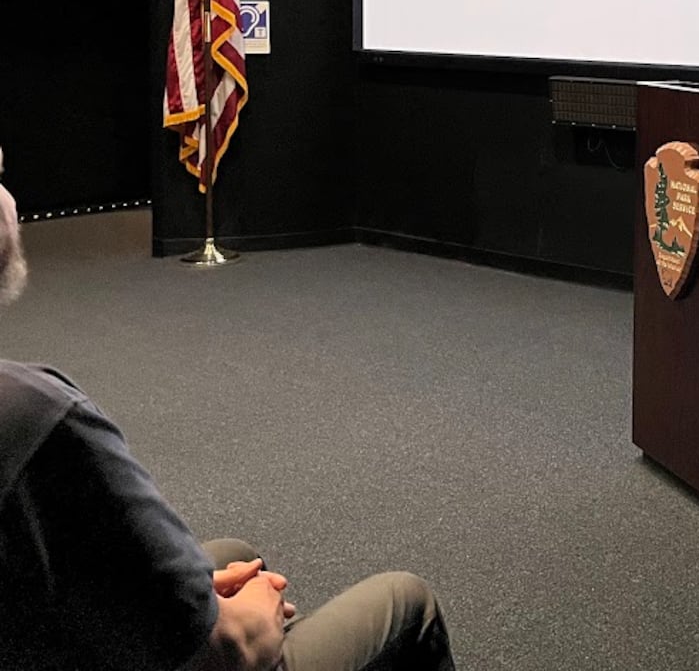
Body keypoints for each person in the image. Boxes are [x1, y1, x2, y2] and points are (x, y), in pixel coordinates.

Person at [0, 149, 456, 671]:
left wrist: (185, 590)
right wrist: (253, 611)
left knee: (230, 553)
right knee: (406, 600)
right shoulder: (38, 419)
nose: (13, 199)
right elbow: (232, 650)